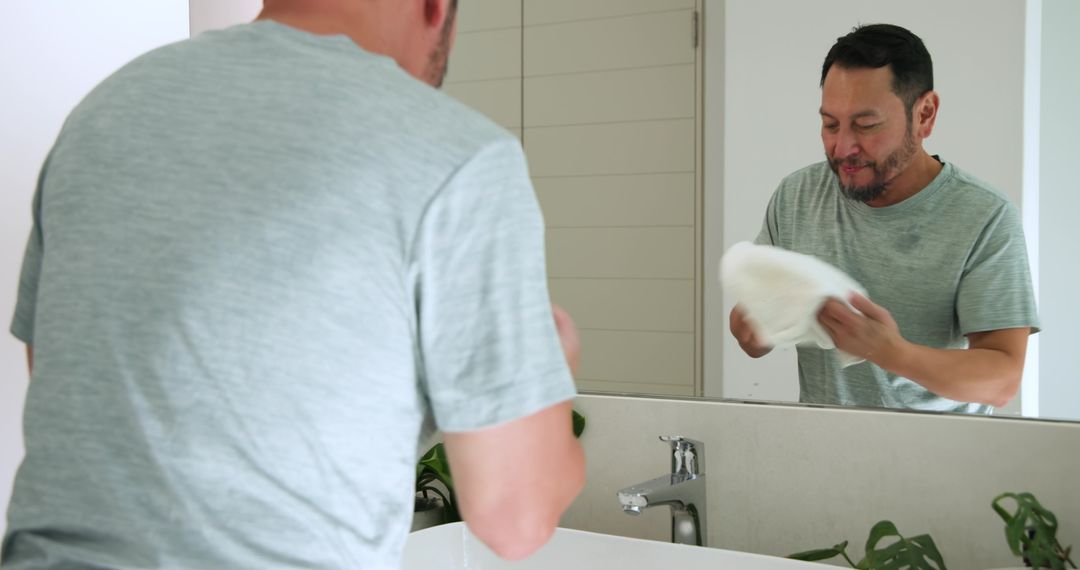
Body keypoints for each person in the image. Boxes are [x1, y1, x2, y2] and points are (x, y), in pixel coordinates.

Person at [3, 0, 585, 567]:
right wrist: (545, 373)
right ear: (436, 10)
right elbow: (515, 519)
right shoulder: (460, 156)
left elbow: (65, 374)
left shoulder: (102, 115)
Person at [729, 23, 1039, 414]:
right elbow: (751, 339)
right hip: (819, 460)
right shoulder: (797, 195)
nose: (843, 147)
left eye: (866, 125)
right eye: (830, 124)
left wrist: (888, 351)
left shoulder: (985, 216)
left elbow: (1001, 378)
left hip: (943, 466)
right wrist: (757, 322)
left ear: (924, 114)